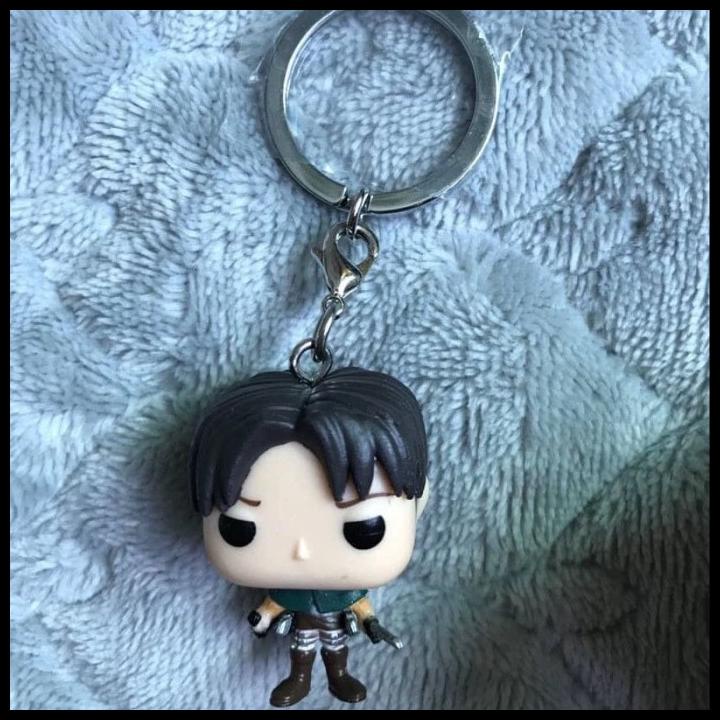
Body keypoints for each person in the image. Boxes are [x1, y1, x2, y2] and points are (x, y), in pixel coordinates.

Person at [190, 367, 429, 706]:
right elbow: (273, 604)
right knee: (301, 649)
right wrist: (262, 616)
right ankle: (299, 678)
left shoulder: (347, 590)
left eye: (363, 530)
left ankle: (339, 675)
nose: (301, 551)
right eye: (240, 528)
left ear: (420, 502)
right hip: (301, 622)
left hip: (333, 621)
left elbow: (361, 606)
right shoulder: (287, 590)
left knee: (335, 646)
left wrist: (371, 622)